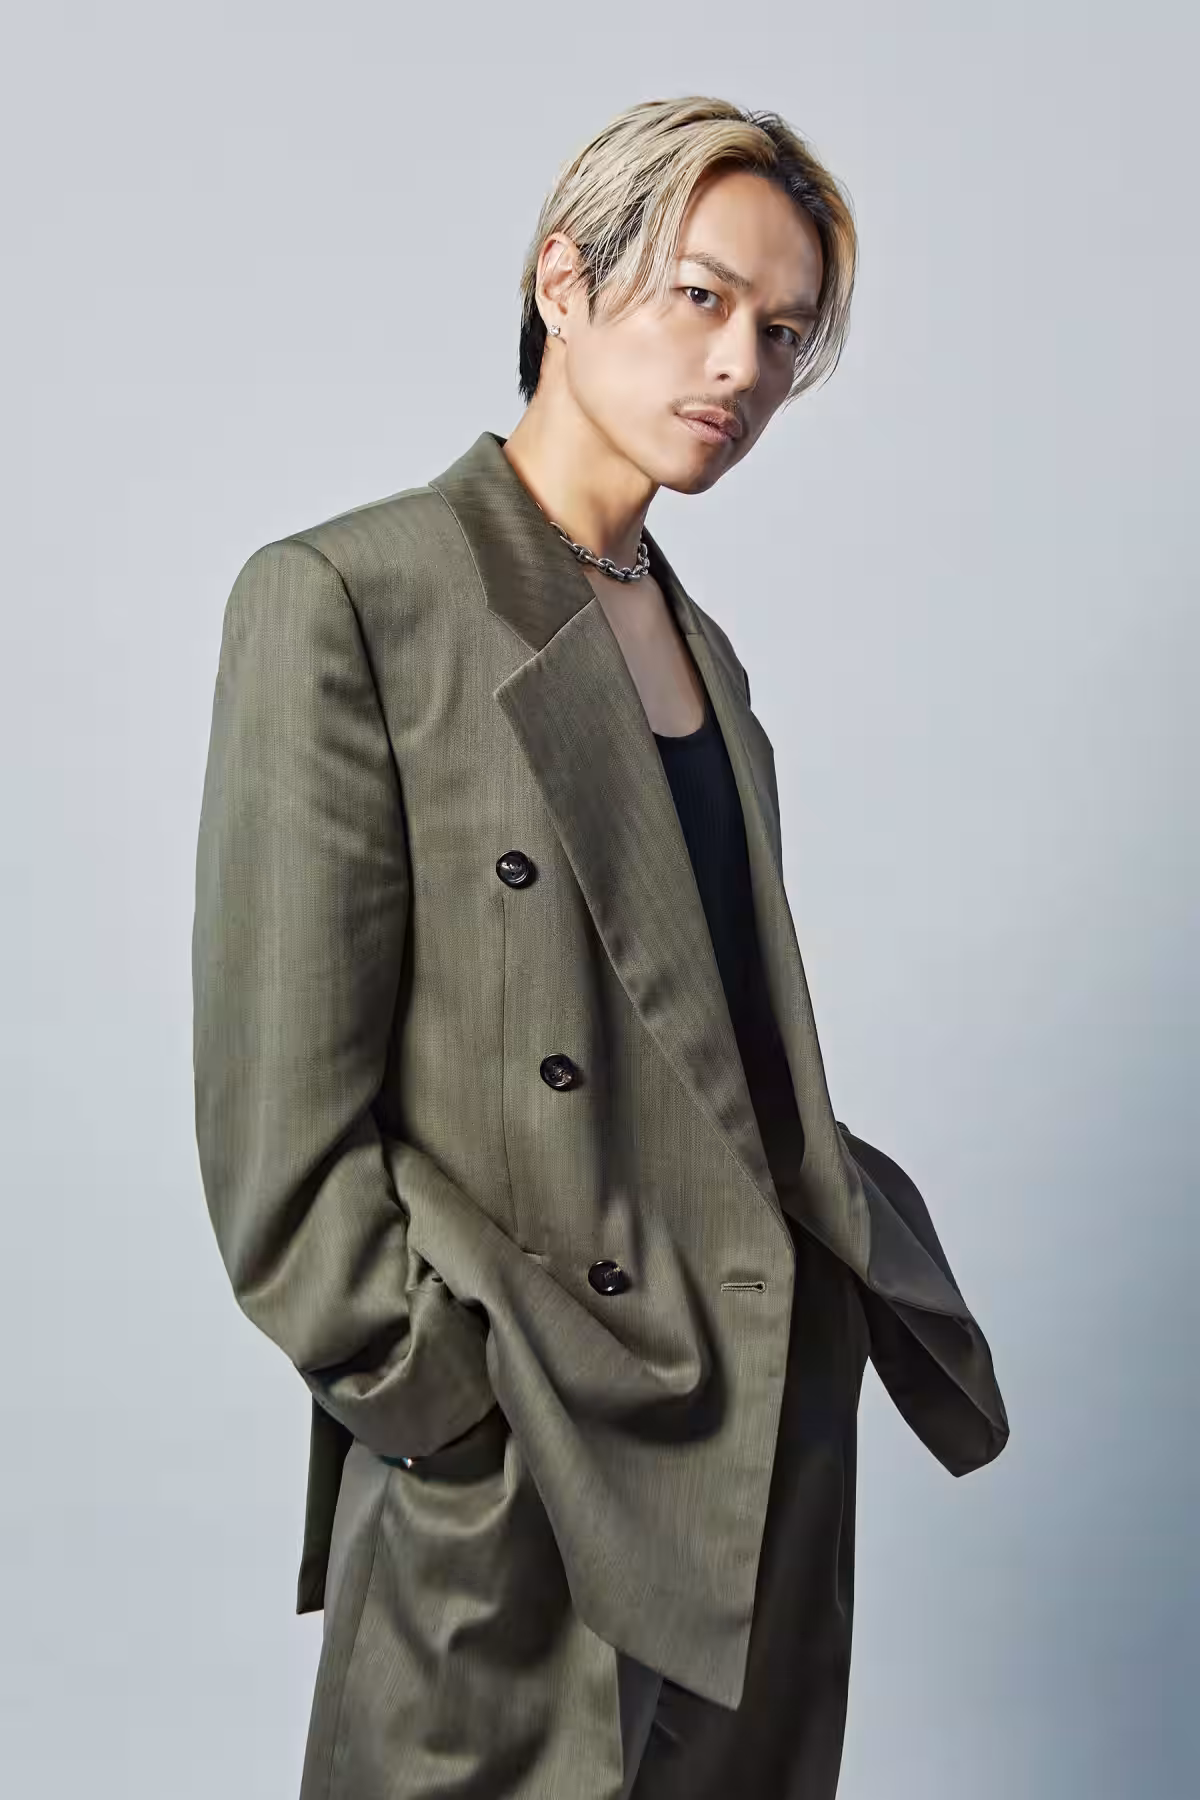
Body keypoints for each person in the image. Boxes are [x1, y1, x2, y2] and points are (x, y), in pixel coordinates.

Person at [192, 94, 1009, 1800]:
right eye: (702, 297)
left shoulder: (704, 649)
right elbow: (282, 1127)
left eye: (783, 332)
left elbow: (714, 1042)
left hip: (754, 1429)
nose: (742, 366)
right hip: (531, 1435)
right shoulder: (353, 596)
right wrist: (446, 1407)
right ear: (563, 283)